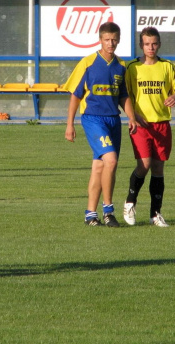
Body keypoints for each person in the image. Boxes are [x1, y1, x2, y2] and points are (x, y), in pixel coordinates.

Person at [64, 22, 140, 228]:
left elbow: (123, 95)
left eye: (114, 39)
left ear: (119, 39)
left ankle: (91, 214)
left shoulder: (121, 66)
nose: (111, 43)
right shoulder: (87, 63)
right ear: (100, 40)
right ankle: (108, 211)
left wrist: (131, 117)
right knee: (112, 161)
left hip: (113, 120)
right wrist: (69, 124)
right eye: (107, 39)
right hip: (93, 118)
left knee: (99, 166)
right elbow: (75, 96)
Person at [123, 26, 175, 227]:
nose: (151, 47)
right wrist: (133, 116)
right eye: (147, 44)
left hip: (162, 124)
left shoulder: (167, 66)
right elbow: (125, 96)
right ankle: (130, 202)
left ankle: (155, 214)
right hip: (141, 124)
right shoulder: (132, 67)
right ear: (141, 45)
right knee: (145, 164)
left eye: (154, 43)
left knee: (158, 168)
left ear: (159, 44)